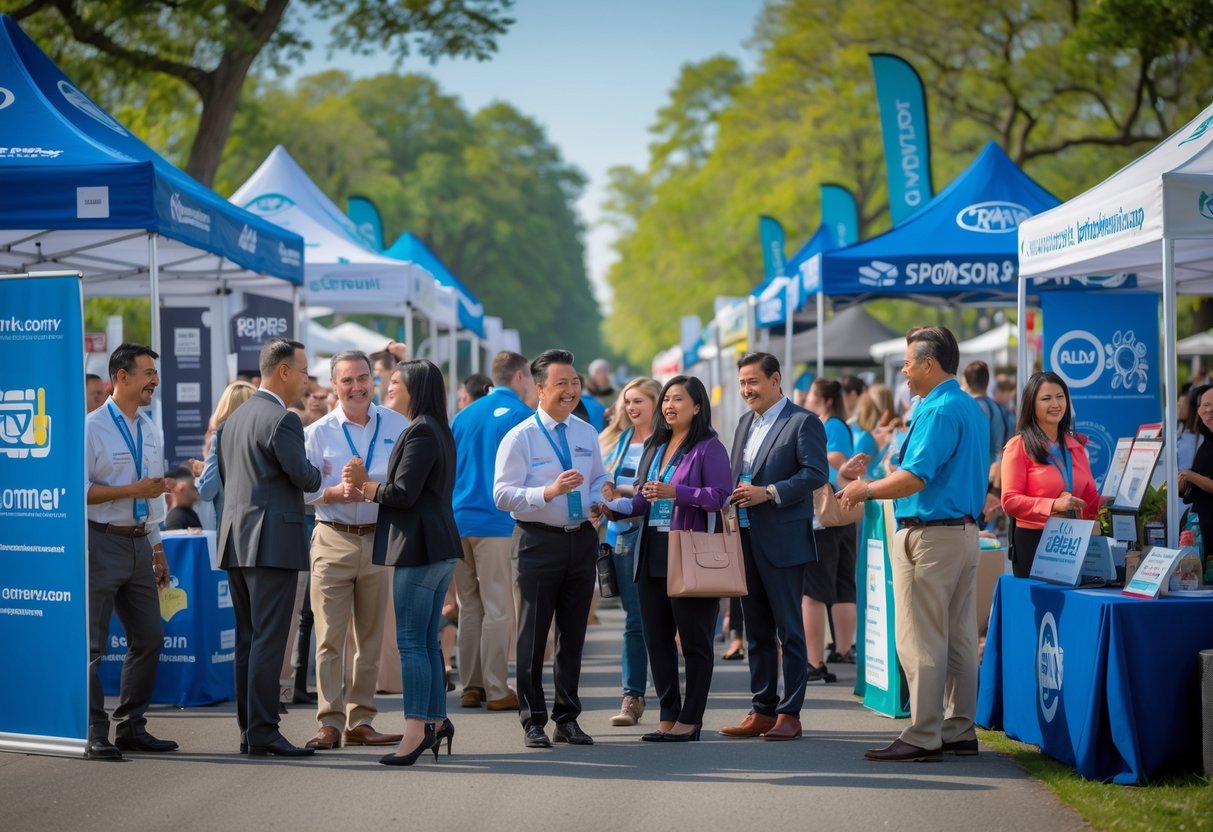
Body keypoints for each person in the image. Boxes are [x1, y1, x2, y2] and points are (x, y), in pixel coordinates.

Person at [838, 326, 989, 762]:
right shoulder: (967, 405)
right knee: (959, 638)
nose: (903, 372)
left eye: (907, 364)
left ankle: (924, 734)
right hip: (961, 533)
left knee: (920, 639)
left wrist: (866, 489)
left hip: (932, 536)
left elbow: (915, 477)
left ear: (928, 364)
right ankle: (958, 728)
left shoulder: (938, 409)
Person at [492, 349, 625, 749]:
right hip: (537, 541)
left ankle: (567, 719)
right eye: (561, 383)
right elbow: (502, 494)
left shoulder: (585, 432)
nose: (570, 390)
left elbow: (598, 475)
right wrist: (547, 492)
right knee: (533, 636)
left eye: (575, 382)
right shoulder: (520, 436)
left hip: (581, 539)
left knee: (573, 635)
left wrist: (601, 494)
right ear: (540, 389)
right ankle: (533, 720)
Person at [346, 359, 462, 766]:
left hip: (420, 549)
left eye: (395, 381)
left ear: (415, 387)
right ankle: (435, 721)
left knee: (412, 642)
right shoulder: (434, 428)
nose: (387, 386)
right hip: (435, 547)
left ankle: (415, 732)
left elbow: (403, 494)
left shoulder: (421, 430)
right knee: (426, 641)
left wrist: (364, 485)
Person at [607, 375, 731, 742]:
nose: (669, 406)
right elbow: (643, 499)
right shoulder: (655, 445)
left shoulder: (709, 447)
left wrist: (678, 492)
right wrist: (611, 509)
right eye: (665, 400)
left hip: (690, 553)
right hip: (651, 553)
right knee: (656, 639)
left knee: (694, 643)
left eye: (677, 399)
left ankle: (691, 720)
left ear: (697, 406)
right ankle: (668, 714)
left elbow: (720, 496)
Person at [218, 337, 322, 758]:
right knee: (267, 640)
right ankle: (263, 730)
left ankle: (251, 729)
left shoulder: (234, 419)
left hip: (237, 540)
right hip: (271, 543)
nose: (306, 380)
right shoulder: (283, 420)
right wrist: (320, 470)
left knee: (248, 639)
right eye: (303, 371)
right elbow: (303, 475)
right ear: (283, 371)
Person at [300, 350, 407, 750]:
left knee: (371, 639)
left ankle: (360, 720)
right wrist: (336, 492)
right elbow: (303, 492)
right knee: (329, 638)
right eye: (347, 380)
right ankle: (329, 722)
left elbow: (406, 481)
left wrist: (368, 488)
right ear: (334, 385)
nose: (357, 387)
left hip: (379, 538)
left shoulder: (397, 425)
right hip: (333, 537)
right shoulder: (317, 433)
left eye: (363, 378)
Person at [719, 353, 829, 743]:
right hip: (746, 538)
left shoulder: (803, 421)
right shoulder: (744, 423)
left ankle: (790, 713)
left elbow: (816, 473)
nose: (746, 390)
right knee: (756, 631)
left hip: (783, 541)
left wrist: (769, 492)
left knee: (789, 630)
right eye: (742, 383)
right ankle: (762, 709)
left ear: (776, 379)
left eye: (753, 381)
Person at [84, 343, 175, 760]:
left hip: (140, 542)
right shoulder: (91, 428)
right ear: (121, 377)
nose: (155, 380)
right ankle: (92, 730)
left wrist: (157, 547)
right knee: (93, 644)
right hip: (101, 542)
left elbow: (152, 495)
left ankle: (132, 726)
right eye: (148, 373)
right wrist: (131, 490)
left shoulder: (150, 428)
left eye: (154, 373)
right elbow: (79, 491)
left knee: (150, 637)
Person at [451, 351, 535, 713]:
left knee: (469, 606)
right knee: (499, 607)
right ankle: (497, 688)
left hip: (458, 519)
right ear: (520, 377)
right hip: (498, 522)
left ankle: (471, 686)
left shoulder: (463, 415)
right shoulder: (522, 415)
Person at [598, 377, 662, 727]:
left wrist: (621, 490)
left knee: (665, 618)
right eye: (627, 401)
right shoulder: (617, 440)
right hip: (623, 536)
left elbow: (657, 489)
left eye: (638, 401)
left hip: (662, 535)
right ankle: (633, 696)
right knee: (634, 618)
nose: (631, 407)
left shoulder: (669, 441)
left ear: (656, 402)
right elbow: (601, 485)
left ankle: (672, 697)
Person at [1000, 371, 1100, 578]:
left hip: (1073, 541)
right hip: (1034, 543)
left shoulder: (1076, 446)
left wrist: (1115, 504)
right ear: (1032, 404)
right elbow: (1010, 501)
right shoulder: (1018, 446)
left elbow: (1089, 498)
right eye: (1046, 398)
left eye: (1060, 397)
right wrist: (1053, 505)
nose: (1055, 404)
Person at [803, 378, 858, 675]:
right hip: (839, 511)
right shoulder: (836, 423)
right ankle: (841, 648)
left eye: (811, 394)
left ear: (824, 399)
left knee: (816, 588)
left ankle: (816, 660)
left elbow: (837, 458)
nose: (806, 398)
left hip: (826, 512)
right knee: (841, 583)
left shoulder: (831, 425)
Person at [1181, 384, 1213, 556]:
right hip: (1201, 526)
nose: (1208, 411)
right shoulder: (1207, 440)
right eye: (1205, 405)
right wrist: (1183, 484)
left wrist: (1189, 475)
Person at [164, 465, 203, 530]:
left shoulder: (190, 513)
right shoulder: (176, 517)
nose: (195, 492)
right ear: (180, 488)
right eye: (192, 488)